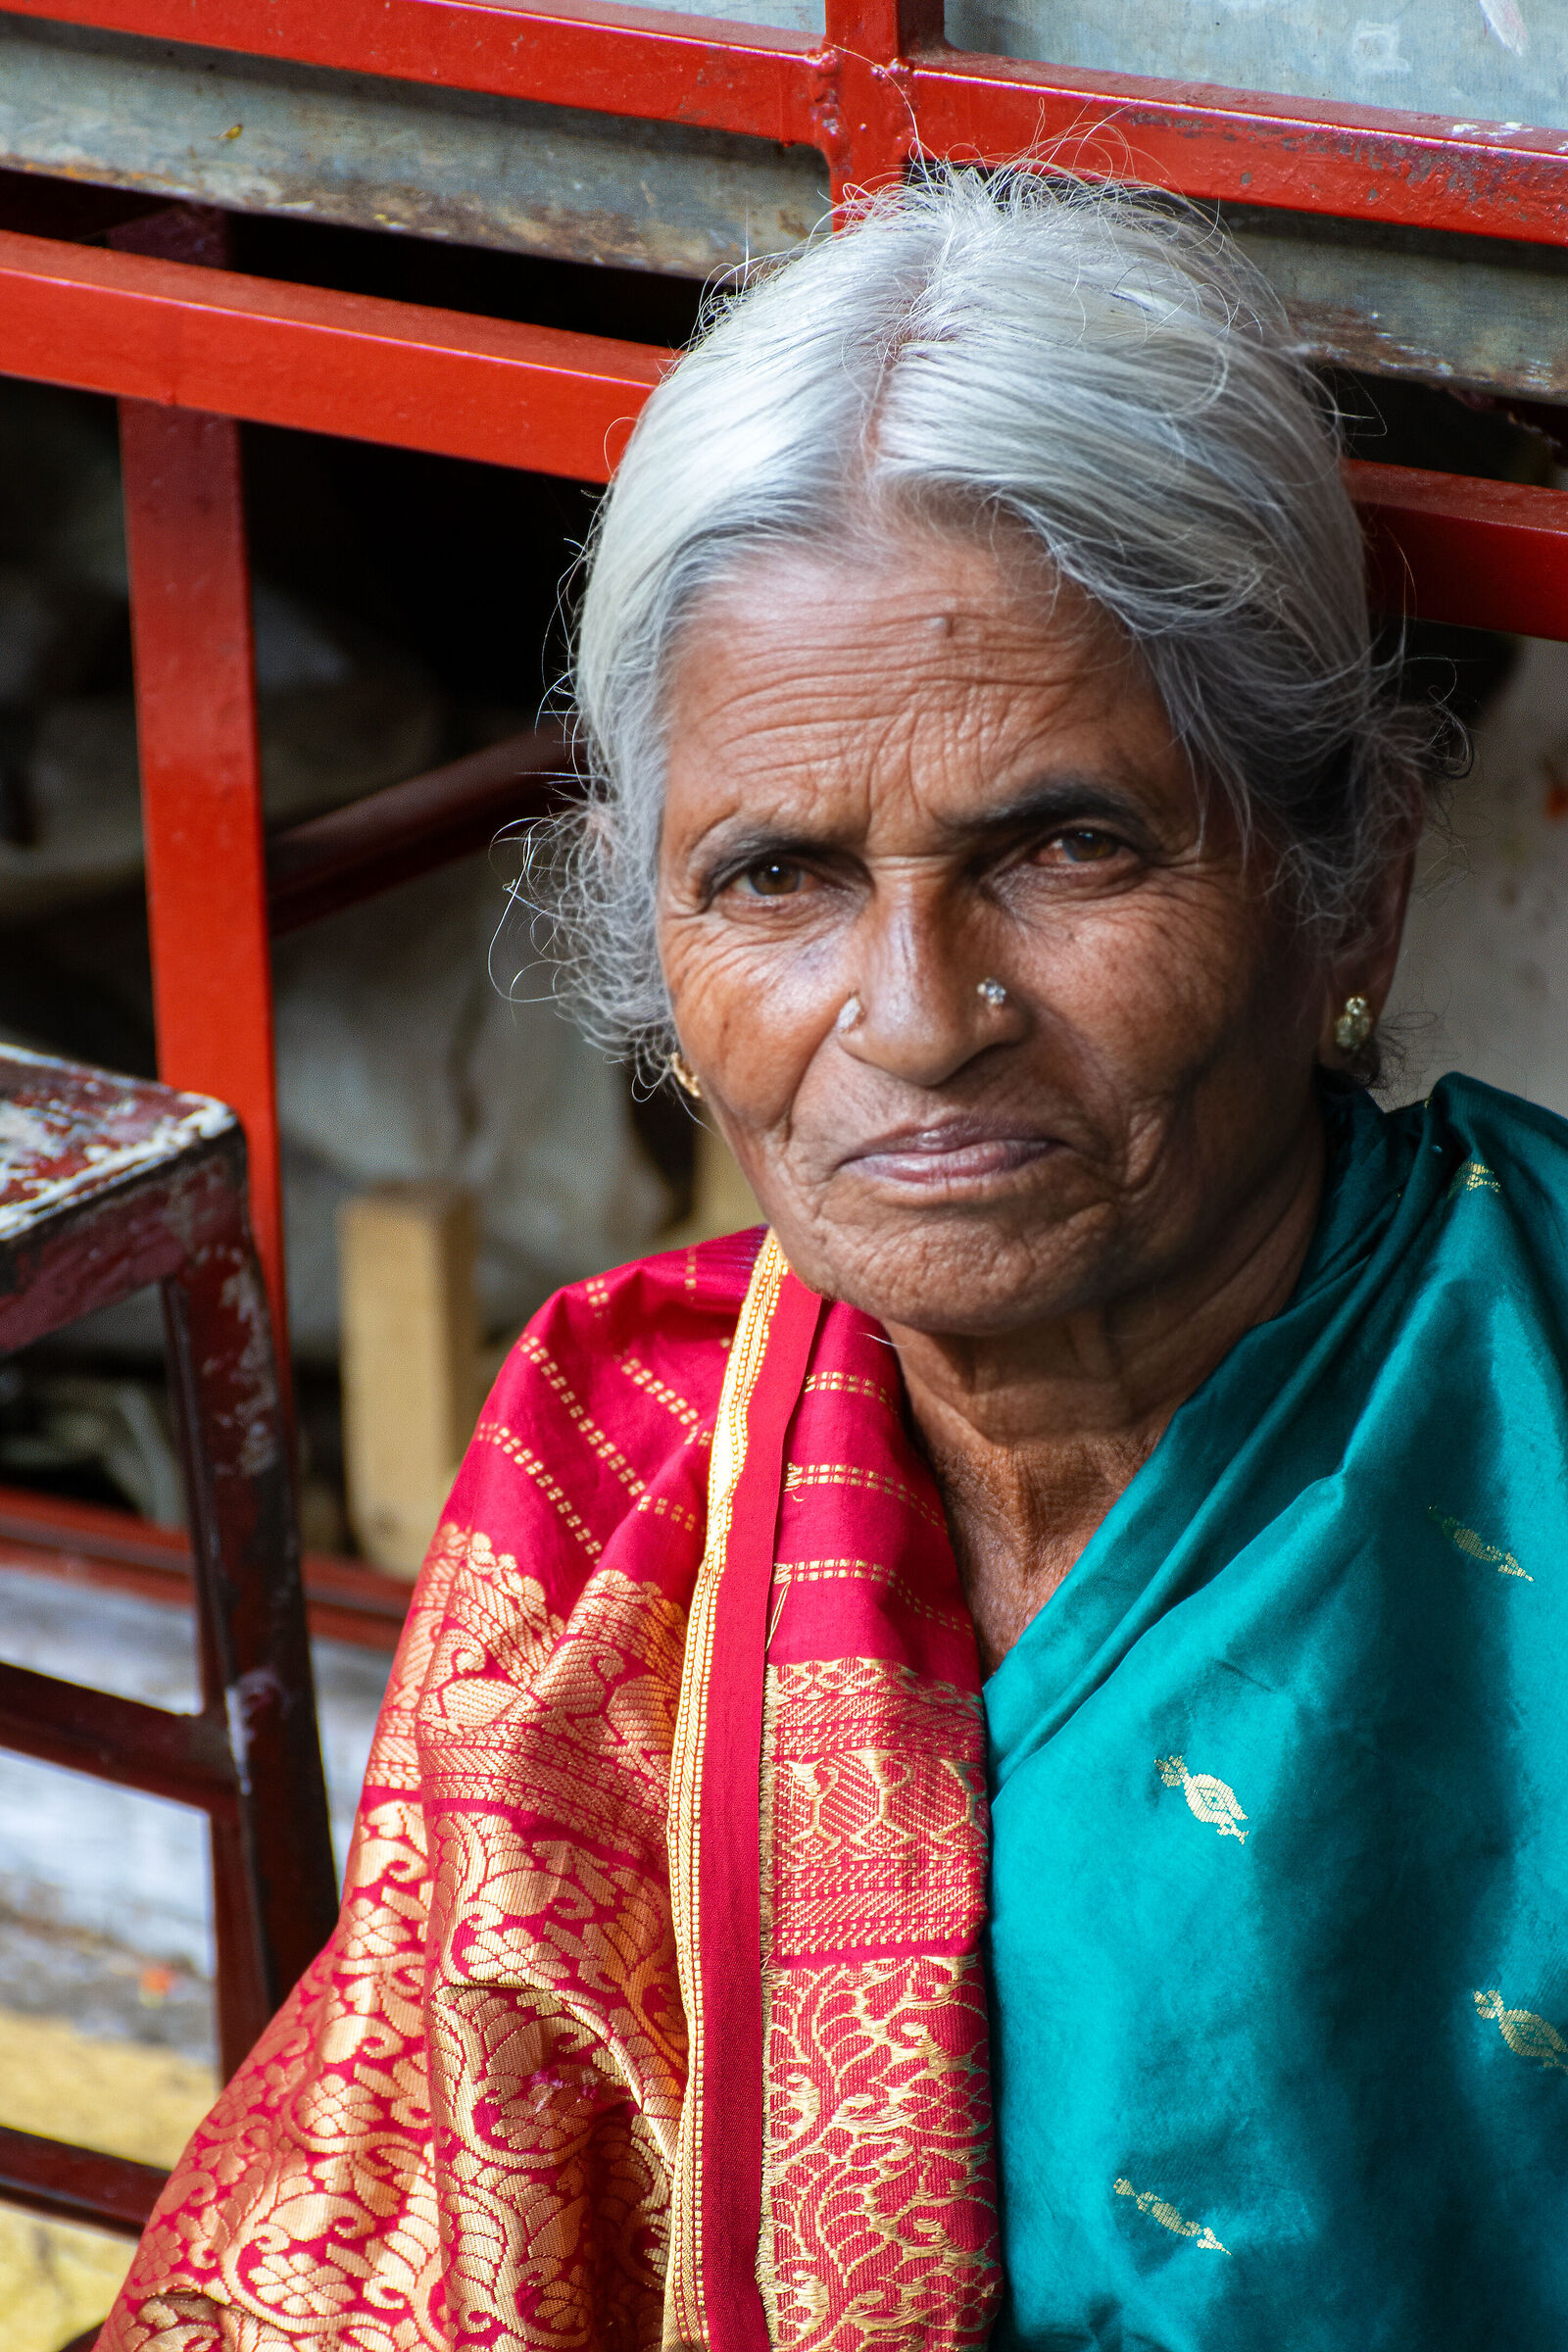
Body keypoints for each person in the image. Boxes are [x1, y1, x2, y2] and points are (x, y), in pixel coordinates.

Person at [104, 168, 1568, 2352]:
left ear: (1340, 883)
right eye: (775, 878)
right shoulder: (624, 1468)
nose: (909, 1013)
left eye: (1064, 846)